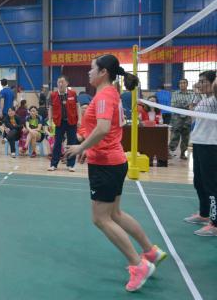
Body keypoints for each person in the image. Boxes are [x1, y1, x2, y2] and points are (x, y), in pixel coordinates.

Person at [64, 55, 167, 293]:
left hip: (106, 165)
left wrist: (81, 147)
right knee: (115, 214)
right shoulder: (111, 94)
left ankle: (138, 265)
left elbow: (102, 128)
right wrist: (88, 148)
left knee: (100, 218)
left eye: (92, 69)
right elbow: (104, 130)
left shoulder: (103, 96)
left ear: (103, 73)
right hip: (114, 160)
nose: (89, 72)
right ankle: (150, 252)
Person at [184, 71, 217, 236]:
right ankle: (204, 214)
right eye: (199, 81)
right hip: (198, 143)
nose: (199, 84)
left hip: (211, 145)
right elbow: (195, 121)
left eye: (203, 81)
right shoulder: (203, 100)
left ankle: (215, 224)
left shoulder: (215, 99)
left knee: (211, 185)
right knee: (199, 182)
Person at [49, 75, 79, 172]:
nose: (60, 84)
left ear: (67, 83)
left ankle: (71, 165)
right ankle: (53, 164)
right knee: (57, 143)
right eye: (59, 82)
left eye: (62, 82)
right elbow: (50, 108)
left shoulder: (73, 93)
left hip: (72, 122)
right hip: (59, 122)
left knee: (71, 143)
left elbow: (78, 106)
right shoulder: (53, 95)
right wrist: (50, 122)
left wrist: (80, 120)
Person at [170, 78, 195, 160]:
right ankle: (170, 152)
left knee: (186, 137)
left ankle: (183, 153)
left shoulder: (192, 94)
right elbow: (173, 105)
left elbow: (192, 104)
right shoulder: (175, 93)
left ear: (187, 84)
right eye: (180, 83)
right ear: (179, 85)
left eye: (184, 83)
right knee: (174, 135)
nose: (182, 84)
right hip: (176, 117)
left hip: (187, 118)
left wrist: (181, 105)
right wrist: (186, 105)